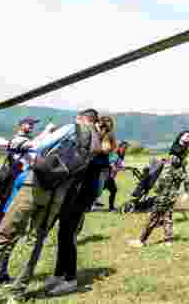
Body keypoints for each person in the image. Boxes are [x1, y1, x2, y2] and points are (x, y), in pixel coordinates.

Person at [0, 109, 99, 304]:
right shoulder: (95, 142)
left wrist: (36, 138)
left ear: (80, 118)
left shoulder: (73, 127)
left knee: (3, 237)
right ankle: (17, 293)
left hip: (35, 186)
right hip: (57, 197)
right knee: (35, 242)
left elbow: (39, 146)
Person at [45, 116, 114, 296]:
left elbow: (92, 174)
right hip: (74, 195)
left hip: (81, 197)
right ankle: (59, 274)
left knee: (69, 235)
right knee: (63, 233)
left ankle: (71, 279)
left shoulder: (97, 152)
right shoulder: (92, 148)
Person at [0, 117, 44, 292]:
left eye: (32, 125)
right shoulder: (18, 140)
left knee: (8, 235)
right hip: (11, 194)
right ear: (20, 125)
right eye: (28, 124)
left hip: (14, 193)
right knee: (2, 234)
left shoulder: (26, 141)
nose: (30, 127)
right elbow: (31, 147)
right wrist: (47, 133)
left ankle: (0, 275)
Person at [129, 131, 189, 248]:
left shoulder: (176, 157)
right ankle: (169, 240)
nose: (188, 137)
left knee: (154, 216)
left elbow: (181, 174)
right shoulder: (179, 154)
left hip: (166, 192)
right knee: (167, 216)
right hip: (171, 192)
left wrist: (186, 190)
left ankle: (141, 241)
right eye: (186, 135)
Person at [103, 140, 129, 212]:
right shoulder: (115, 154)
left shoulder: (121, 155)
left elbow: (120, 165)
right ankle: (111, 207)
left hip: (110, 177)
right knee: (112, 190)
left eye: (126, 148)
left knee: (113, 190)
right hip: (106, 176)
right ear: (120, 147)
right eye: (124, 148)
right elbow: (112, 164)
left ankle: (111, 207)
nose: (125, 150)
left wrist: (123, 168)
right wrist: (118, 169)